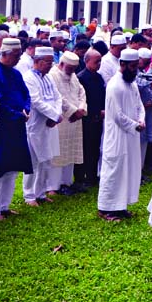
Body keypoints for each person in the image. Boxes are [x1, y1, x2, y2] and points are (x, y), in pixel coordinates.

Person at [0, 38, 32, 220]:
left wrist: (26, 109)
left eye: (19, 55)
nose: (18, 59)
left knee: (12, 169)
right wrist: (17, 114)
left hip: (18, 127)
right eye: (16, 55)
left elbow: (25, 94)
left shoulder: (16, 74)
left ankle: (5, 205)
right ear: (4, 54)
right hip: (2, 128)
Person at [97, 49, 145, 222]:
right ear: (122, 64)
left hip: (132, 135)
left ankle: (120, 206)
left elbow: (139, 104)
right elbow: (116, 115)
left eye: (136, 66)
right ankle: (105, 209)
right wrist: (134, 125)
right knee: (114, 171)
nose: (135, 70)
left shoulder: (132, 83)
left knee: (128, 169)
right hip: (117, 136)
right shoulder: (114, 85)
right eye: (132, 67)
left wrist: (141, 119)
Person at [22, 47, 62, 206]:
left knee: (46, 159)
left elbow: (58, 97)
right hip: (35, 124)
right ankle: (29, 195)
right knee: (32, 161)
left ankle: (41, 193)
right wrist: (54, 115)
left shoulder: (48, 78)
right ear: (37, 61)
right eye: (48, 62)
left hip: (50, 124)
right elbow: (35, 101)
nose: (50, 66)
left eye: (52, 63)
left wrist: (56, 116)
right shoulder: (28, 77)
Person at [47, 51, 87, 195]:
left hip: (75, 120)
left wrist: (81, 109)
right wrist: (73, 111)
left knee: (70, 152)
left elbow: (81, 92)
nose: (72, 71)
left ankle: (66, 183)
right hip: (62, 120)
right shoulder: (52, 75)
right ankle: (53, 186)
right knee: (58, 153)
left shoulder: (73, 76)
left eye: (74, 69)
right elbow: (58, 97)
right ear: (62, 64)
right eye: (70, 68)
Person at [76, 48, 106, 186]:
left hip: (98, 118)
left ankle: (93, 176)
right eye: (96, 61)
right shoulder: (81, 77)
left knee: (95, 148)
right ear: (87, 61)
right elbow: (82, 99)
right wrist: (94, 111)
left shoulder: (99, 77)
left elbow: (102, 96)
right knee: (85, 148)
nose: (99, 64)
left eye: (100, 61)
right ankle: (81, 178)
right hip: (86, 118)